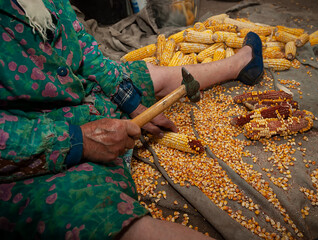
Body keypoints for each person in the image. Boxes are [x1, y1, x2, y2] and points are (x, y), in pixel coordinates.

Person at [0, 0, 263, 239]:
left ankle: (239, 64)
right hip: (26, 147)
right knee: (112, 223)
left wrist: (132, 103)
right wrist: (80, 140)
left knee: (149, 76)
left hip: (71, 93)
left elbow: (82, 44)